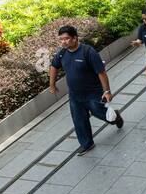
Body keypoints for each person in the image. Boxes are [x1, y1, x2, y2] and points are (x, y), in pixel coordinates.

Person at [49, 24, 123, 157]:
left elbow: (101, 72)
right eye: (61, 39)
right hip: (75, 95)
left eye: (66, 39)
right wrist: (52, 84)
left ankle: (116, 117)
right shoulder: (62, 53)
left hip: (93, 93)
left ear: (75, 38)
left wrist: (107, 91)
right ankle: (87, 144)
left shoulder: (88, 52)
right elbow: (54, 66)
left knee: (99, 112)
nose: (63, 42)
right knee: (79, 120)